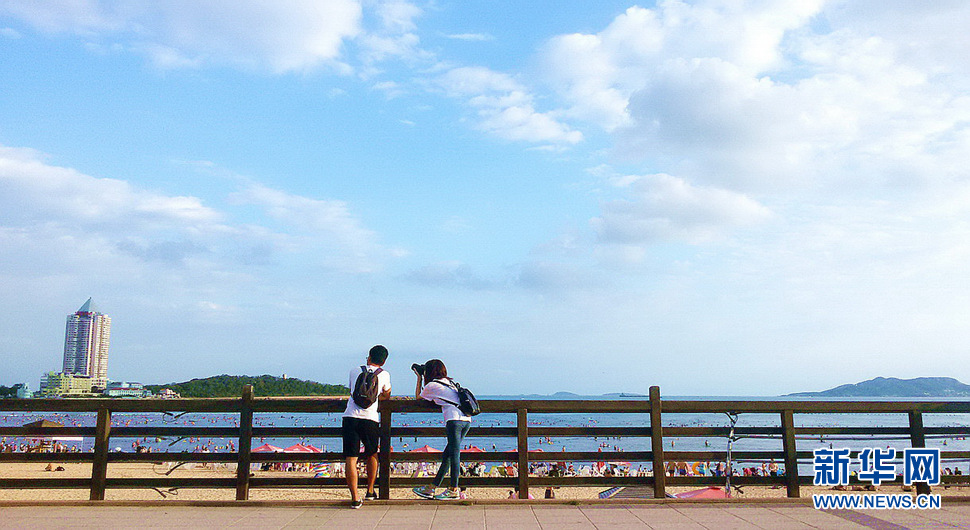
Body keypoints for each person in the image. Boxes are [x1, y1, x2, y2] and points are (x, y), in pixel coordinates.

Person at [411, 359, 472, 501]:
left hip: (454, 420)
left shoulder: (432, 385)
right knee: (448, 455)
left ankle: (453, 489)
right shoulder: (450, 383)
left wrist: (419, 378)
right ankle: (431, 488)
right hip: (466, 420)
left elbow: (418, 398)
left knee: (454, 455)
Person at [342, 345, 391, 509]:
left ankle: (355, 498)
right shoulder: (384, 374)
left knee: (351, 457)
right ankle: (370, 491)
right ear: (383, 361)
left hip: (350, 416)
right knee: (372, 454)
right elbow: (386, 393)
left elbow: (351, 390)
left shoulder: (354, 370)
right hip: (370, 418)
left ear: (369, 357)